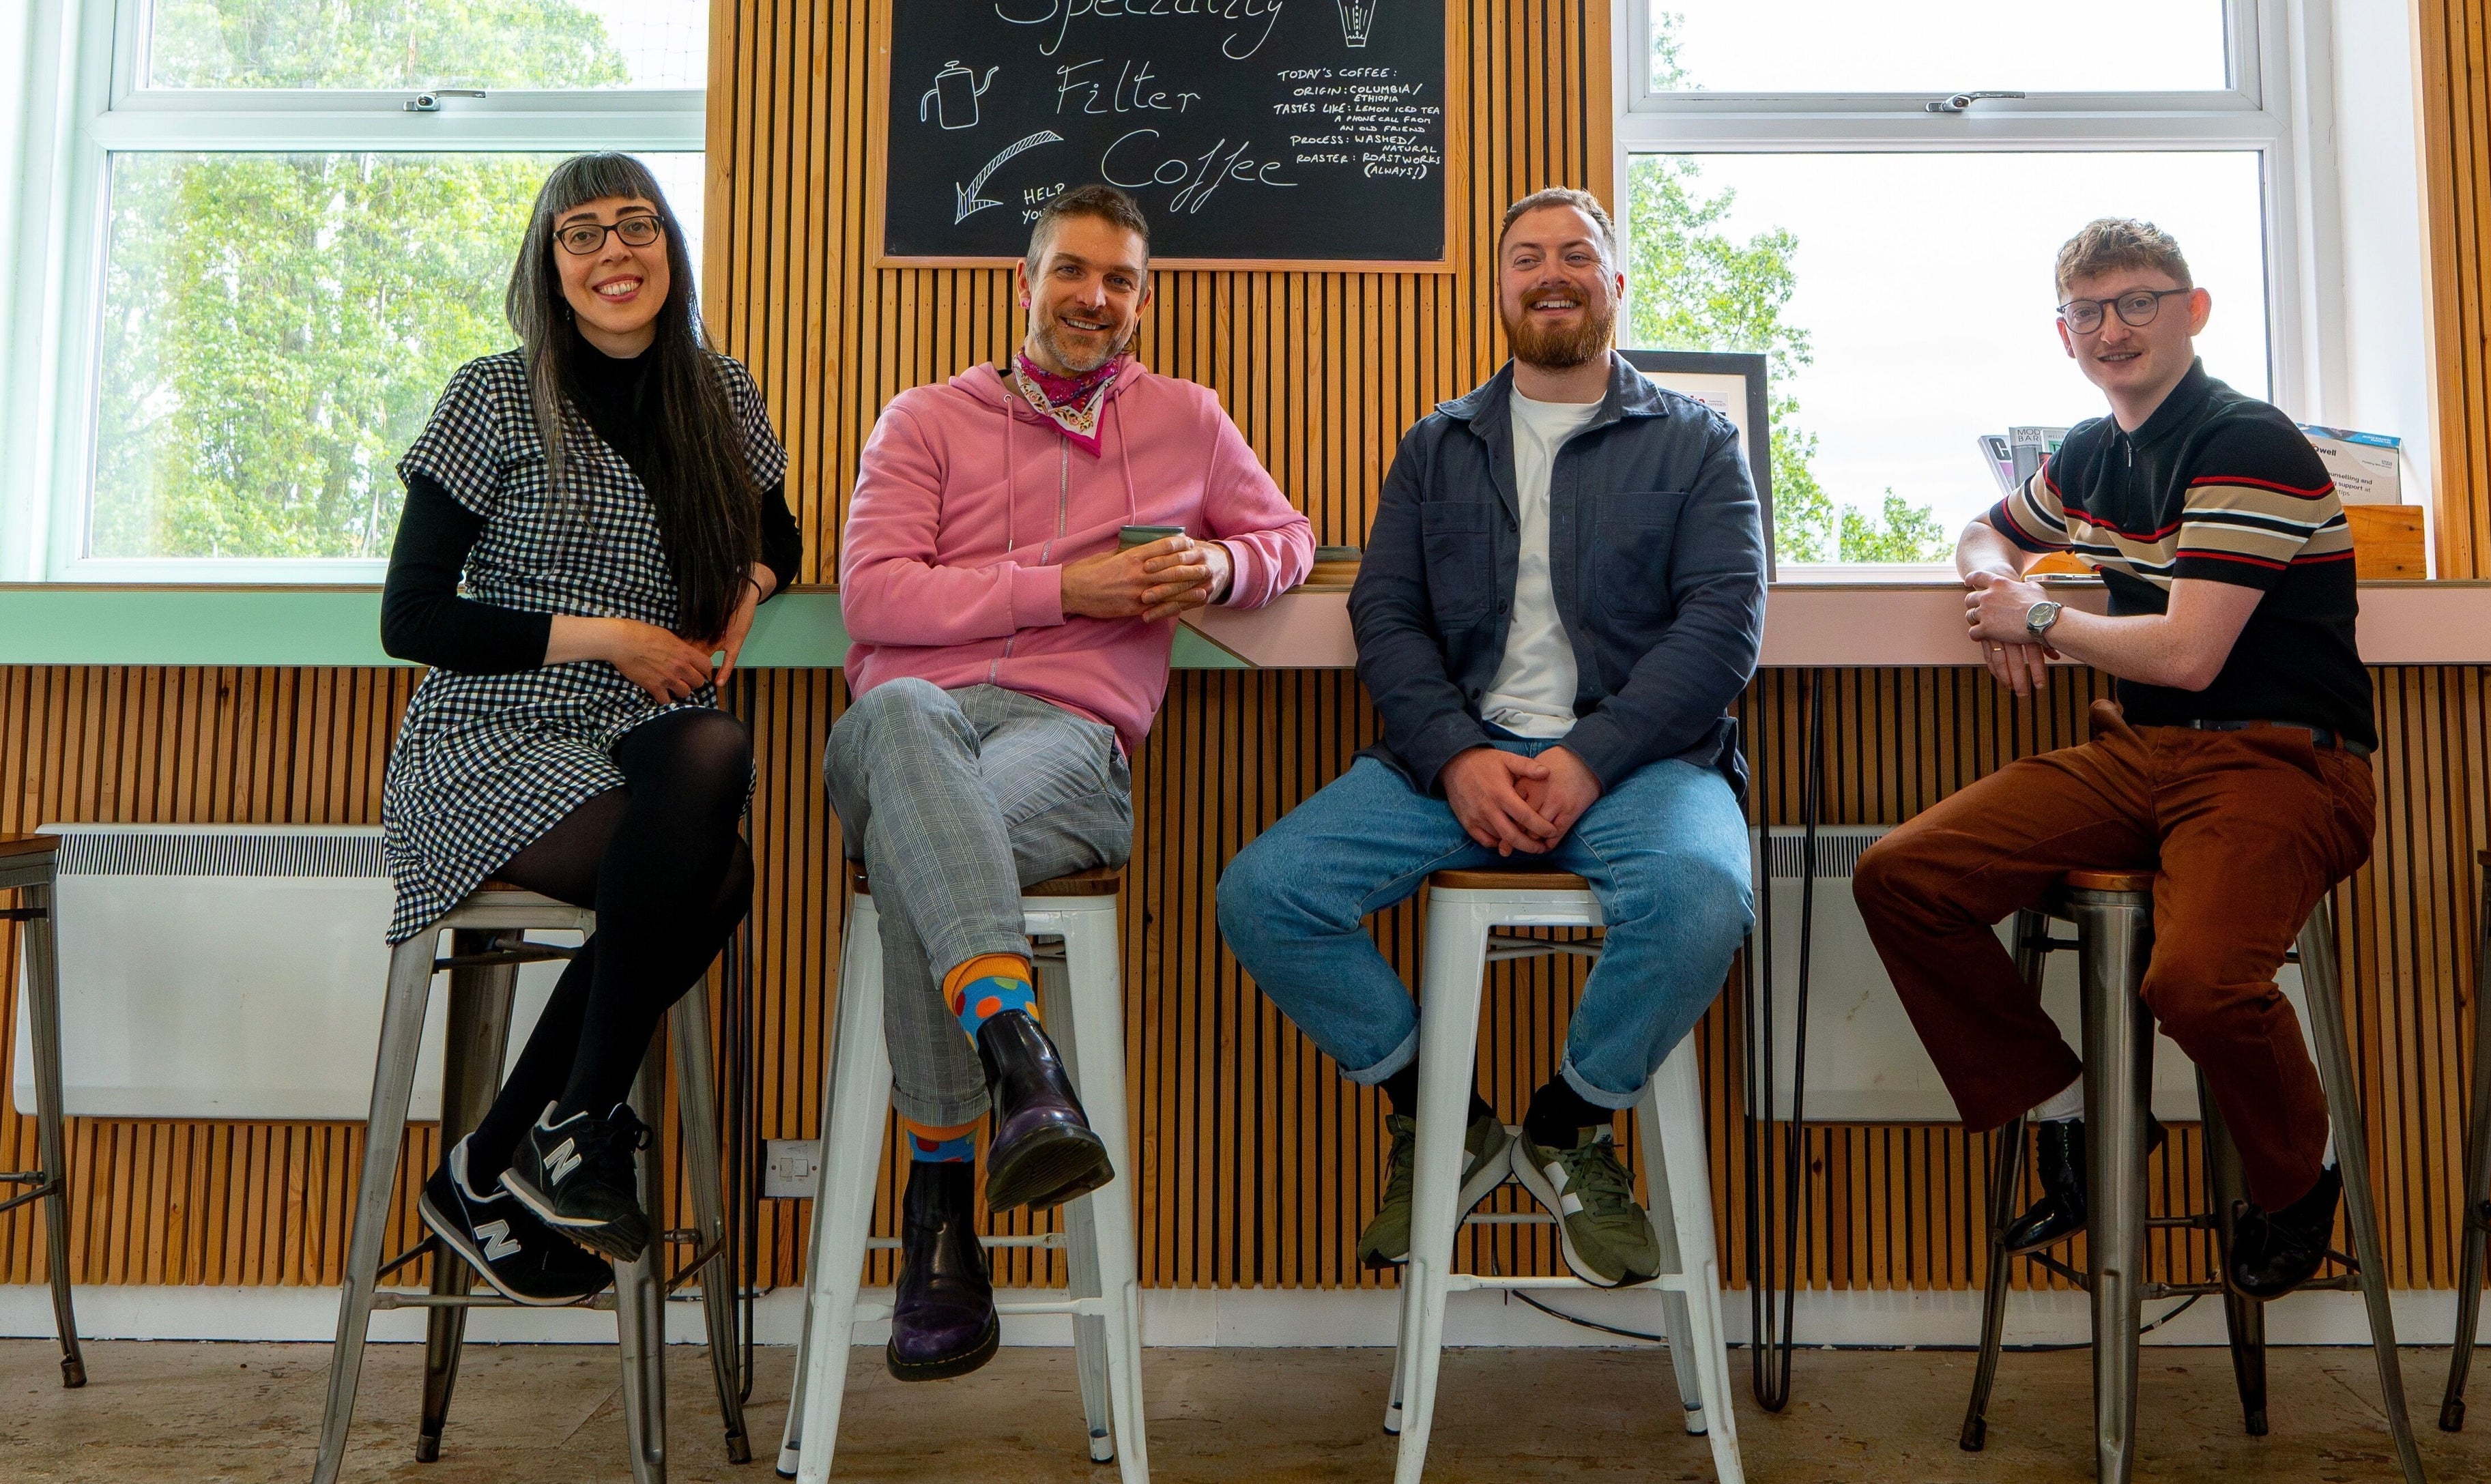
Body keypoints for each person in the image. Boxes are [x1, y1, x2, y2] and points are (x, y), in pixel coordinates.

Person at [1216, 188, 1764, 1289]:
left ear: (1615, 282)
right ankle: (1443, 1121)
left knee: (1705, 896)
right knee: (1266, 893)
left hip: (1643, 765)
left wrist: (1592, 757)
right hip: (1452, 760)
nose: (1551, 273)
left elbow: (1724, 626)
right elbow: (1386, 615)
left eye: (1577, 254)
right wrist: (1457, 755)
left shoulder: (1699, 442)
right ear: (1502, 287)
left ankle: (1569, 1124)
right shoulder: (1438, 445)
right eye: (1527, 257)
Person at [826, 184, 1313, 1381]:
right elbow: (873, 596)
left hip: (1067, 739)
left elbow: (1289, 540)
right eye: (1072, 271)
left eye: (1121, 281)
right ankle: (1023, 1065)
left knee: (926, 856)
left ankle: (942, 1200)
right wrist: (1067, 587)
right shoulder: (924, 419)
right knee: (904, 718)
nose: (1095, 298)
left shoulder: (1190, 419)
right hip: (908, 728)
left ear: (1142, 299)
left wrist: (1220, 565)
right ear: (1025, 281)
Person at [1852, 218, 2375, 1299]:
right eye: (2087, 312)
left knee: (2194, 985)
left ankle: (2299, 1177)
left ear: (2194, 311)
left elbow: (2188, 655)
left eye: (2138, 302)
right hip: (2142, 753)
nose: (2112, 329)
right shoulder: (2092, 452)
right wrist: (1996, 588)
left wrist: (2041, 620)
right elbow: (1985, 531)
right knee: (1902, 876)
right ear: (2064, 334)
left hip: (2282, 765)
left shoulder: (2247, 441)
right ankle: (2078, 1119)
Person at [380, 152, 797, 1305]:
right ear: (549, 265)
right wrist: (614, 637)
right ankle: (546, 1139)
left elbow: (780, 529)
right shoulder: (491, 395)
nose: (615, 251)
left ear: (670, 246)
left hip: (638, 722)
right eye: (582, 234)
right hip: (493, 731)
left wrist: (751, 587)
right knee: (715, 872)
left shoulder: (720, 394)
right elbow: (412, 618)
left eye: (637, 225)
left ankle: (512, 1149)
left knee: (711, 751)